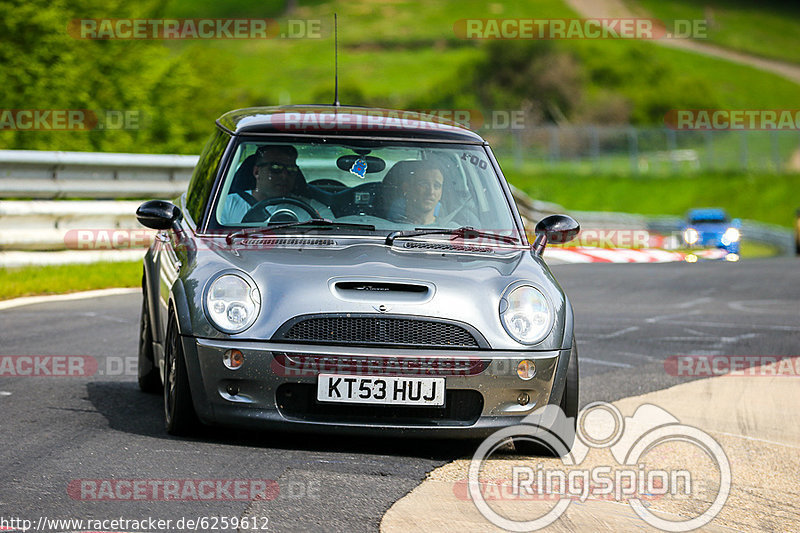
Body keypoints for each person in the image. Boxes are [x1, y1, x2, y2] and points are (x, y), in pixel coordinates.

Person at [221, 145, 332, 223]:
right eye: (275, 168)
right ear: (256, 172)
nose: (284, 176)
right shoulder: (227, 205)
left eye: (291, 169)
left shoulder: (313, 210)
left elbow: (334, 231)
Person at [400, 161, 444, 225]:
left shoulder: (453, 231)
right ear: (406, 188)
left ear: (441, 193)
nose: (431, 192)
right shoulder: (387, 227)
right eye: (424, 184)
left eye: (436, 186)